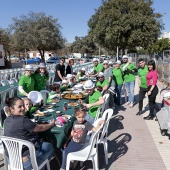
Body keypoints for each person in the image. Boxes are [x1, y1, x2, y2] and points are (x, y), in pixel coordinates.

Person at [4, 97, 55, 170]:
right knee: (49, 147)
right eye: (19, 107)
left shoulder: (7, 120)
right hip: (25, 161)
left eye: (23, 106)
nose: (23, 108)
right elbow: (39, 128)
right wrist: (51, 124)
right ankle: (37, 167)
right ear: (11, 109)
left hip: (11, 160)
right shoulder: (23, 120)